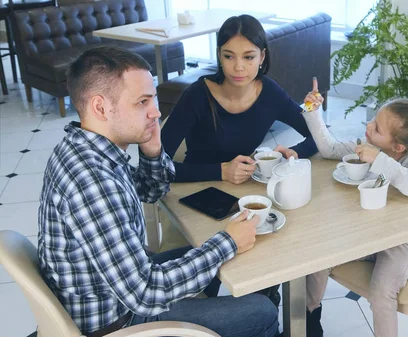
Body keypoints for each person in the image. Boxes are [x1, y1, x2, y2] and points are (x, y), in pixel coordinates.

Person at [37, 45, 279, 337]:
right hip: (119, 323)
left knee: (215, 251)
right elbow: (145, 293)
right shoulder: (91, 181)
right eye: (142, 102)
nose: (156, 112)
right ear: (100, 107)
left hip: (117, 287)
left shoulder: (87, 149)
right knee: (262, 311)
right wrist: (228, 242)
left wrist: (152, 153)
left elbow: (152, 192)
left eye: (152, 99)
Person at [301, 80, 408, 337]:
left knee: (381, 294)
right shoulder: (371, 146)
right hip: (366, 235)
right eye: (373, 120)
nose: (368, 126)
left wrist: (379, 160)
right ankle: (308, 321)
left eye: (376, 128)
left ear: (398, 147)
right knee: (317, 259)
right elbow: (329, 148)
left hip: (403, 243)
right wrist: (313, 111)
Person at [161, 14, 318, 184]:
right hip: (195, 190)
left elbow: (318, 136)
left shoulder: (270, 93)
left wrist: (295, 152)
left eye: (248, 57)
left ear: (262, 57)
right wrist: (221, 171)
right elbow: (156, 168)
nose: (238, 67)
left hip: (243, 190)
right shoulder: (196, 96)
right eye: (229, 56)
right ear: (219, 55)